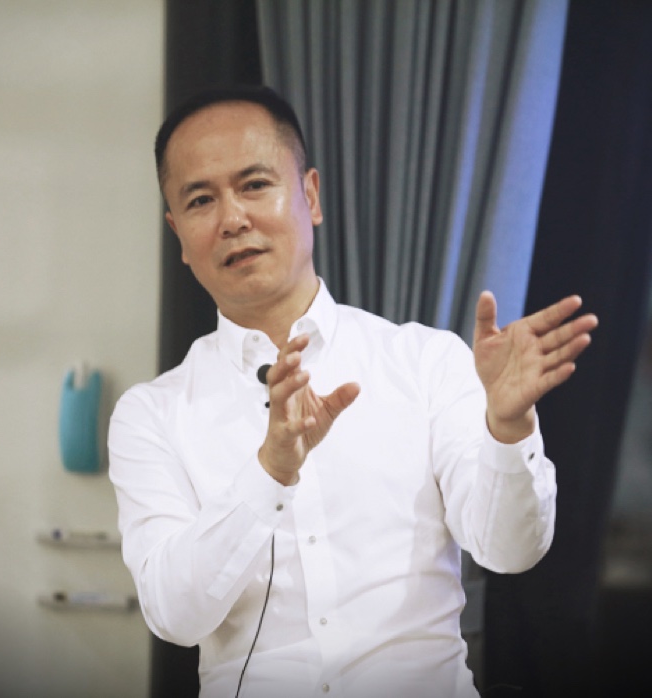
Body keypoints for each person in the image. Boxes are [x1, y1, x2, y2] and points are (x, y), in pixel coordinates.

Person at [108, 85, 597, 698]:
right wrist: (269, 473)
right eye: (201, 200)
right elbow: (172, 615)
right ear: (178, 233)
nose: (232, 219)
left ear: (310, 196)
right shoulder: (151, 415)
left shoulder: (423, 360)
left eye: (254, 185)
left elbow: (510, 550)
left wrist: (508, 428)